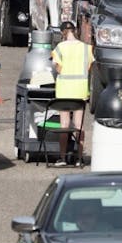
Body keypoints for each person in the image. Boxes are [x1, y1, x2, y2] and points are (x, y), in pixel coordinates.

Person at [49, 19, 91, 163]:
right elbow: (88, 68)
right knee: (79, 125)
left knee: (64, 125)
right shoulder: (86, 48)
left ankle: (62, 158)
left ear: (62, 33)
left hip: (64, 92)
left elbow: (58, 68)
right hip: (80, 91)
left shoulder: (60, 48)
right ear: (75, 31)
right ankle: (79, 158)